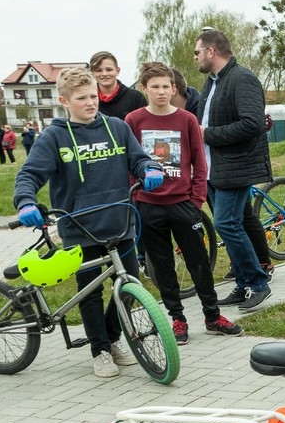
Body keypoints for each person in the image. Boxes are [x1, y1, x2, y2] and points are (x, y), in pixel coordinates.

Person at [13, 67, 164, 379]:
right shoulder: (54, 137)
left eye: (93, 96)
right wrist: (25, 201)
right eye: (82, 98)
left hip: (120, 221)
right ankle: (100, 350)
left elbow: (138, 158)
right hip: (79, 226)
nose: (90, 102)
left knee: (129, 286)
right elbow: (30, 174)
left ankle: (112, 338)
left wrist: (149, 168)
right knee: (90, 293)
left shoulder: (117, 127)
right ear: (64, 101)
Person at [125, 62, 242, 345]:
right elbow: (128, 162)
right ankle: (177, 319)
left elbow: (200, 164)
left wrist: (196, 200)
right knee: (162, 266)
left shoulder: (187, 119)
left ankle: (212, 316)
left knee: (199, 262)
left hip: (183, 204)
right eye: (155, 87)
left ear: (173, 88)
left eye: (166, 86)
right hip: (148, 206)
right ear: (144, 89)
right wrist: (136, 195)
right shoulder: (133, 120)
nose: (161, 92)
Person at [194, 29, 273, 312]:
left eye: (197, 52)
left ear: (211, 51)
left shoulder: (242, 79)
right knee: (230, 226)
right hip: (213, 169)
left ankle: (258, 283)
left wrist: (208, 134)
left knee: (226, 224)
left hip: (235, 167)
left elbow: (252, 123)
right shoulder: (212, 82)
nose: (196, 58)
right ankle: (242, 284)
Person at [89, 51, 148, 120]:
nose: (104, 74)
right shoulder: (86, 99)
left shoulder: (135, 98)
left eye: (109, 70)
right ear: (92, 73)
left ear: (117, 71)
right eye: (98, 70)